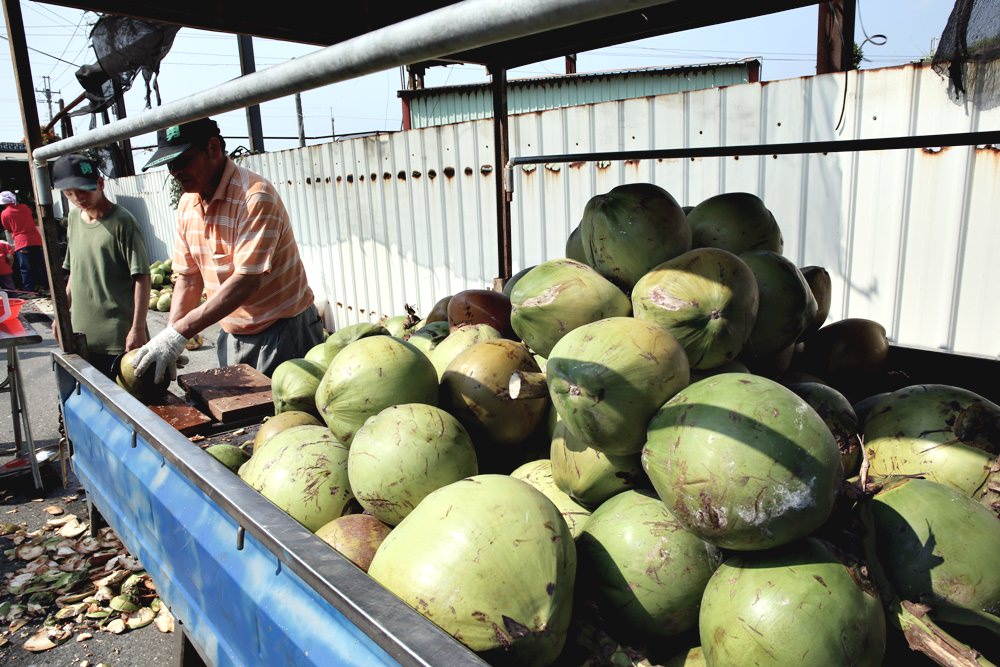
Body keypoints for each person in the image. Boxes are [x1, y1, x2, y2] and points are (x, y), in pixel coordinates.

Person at [132, 118, 324, 384]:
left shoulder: (254, 197)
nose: (174, 171)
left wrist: (180, 332)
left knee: (282, 419)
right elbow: (188, 278)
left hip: (282, 332)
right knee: (240, 419)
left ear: (212, 148)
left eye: (183, 160)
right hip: (231, 332)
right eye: (169, 164)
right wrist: (171, 334)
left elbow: (246, 281)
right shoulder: (188, 204)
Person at [52, 154, 152, 379]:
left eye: (83, 190)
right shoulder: (74, 219)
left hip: (118, 341)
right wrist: (62, 317)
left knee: (124, 407)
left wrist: (137, 328)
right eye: (69, 193)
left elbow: (142, 278)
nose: (78, 198)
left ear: (100, 184)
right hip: (80, 337)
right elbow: (74, 274)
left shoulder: (123, 222)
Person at [0, 190, 48, 296]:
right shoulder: (25, 207)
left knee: (25, 269)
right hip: (36, 240)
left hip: (21, 242)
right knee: (41, 265)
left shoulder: (4, 213)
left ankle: (29, 290)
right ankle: (46, 286)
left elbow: (8, 228)